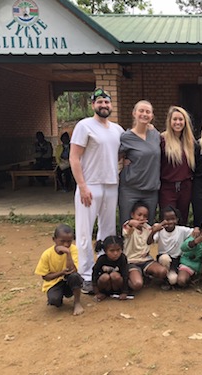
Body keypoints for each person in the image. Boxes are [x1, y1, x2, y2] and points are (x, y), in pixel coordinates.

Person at [70, 88, 124, 294]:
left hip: (111, 184)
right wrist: (82, 186)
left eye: (107, 103)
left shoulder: (117, 129)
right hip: (90, 185)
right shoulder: (84, 126)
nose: (104, 105)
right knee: (84, 232)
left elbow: (116, 155)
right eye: (100, 102)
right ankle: (85, 275)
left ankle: (103, 268)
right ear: (93, 104)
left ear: (111, 106)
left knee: (108, 230)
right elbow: (74, 158)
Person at [119, 100, 161, 228]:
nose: (144, 114)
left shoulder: (155, 135)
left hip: (151, 190)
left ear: (152, 116)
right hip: (130, 189)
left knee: (147, 230)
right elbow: (116, 157)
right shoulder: (126, 137)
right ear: (134, 113)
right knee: (127, 228)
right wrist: (123, 163)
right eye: (141, 111)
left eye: (148, 112)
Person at [34, 224, 84, 316]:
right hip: (54, 282)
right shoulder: (47, 254)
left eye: (69, 241)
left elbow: (72, 270)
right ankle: (57, 297)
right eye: (62, 241)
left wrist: (68, 253)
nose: (66, 244)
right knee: (55, 301)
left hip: (69, 280)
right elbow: (45, 277)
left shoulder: (72, 249)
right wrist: (61, 273)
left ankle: (77, 303)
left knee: (75, 276)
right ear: (54, 239)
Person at [159, 106, 196, 225]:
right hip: (167, 188)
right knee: (168, 223)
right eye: (175, 119)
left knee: (182, 221)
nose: (178, 122)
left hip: (185, 187)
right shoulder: (162, 140)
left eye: (181, 119)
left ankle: (181, 244)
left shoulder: (190, 142)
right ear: (169, 121)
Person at [122, 201, 168, 293]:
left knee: (163, 271)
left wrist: (154, 231)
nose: (141, 218)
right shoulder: (128, 226)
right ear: (132, 215)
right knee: (137, 284)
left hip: (146, 260)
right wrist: (131, 222)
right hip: (131, 261)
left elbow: (149, 242)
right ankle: (125, 280)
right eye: (139, 215)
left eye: (145, 216)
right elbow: (127, 229)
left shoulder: (147, 227)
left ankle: (145, 274)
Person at [147, 205, 196, 290]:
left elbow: (194, 232)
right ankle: (164, 278)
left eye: (173, 219)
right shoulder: (160, 231)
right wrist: (154, 231)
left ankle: (173, 277)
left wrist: (197, 230)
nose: (170, 222)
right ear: (162, 220)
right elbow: (149, 242)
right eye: (167, 219)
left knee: (173, 280)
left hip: (177, 260)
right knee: (165, 258)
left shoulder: (181, 230)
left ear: (177, 220)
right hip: (163, 259)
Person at [92, 235, 129, 302]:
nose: (115, 253)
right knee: (105, 277)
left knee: (114, 275)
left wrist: (125, 292)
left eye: (118, 250)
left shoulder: (122, 258)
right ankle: (104, 293)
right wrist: (96, 292)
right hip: (105, 284)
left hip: (117, 284)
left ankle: (117, 292)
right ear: (105, 251)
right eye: (112, 251)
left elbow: (125, 274)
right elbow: (94, 273)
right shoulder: (101, 259)